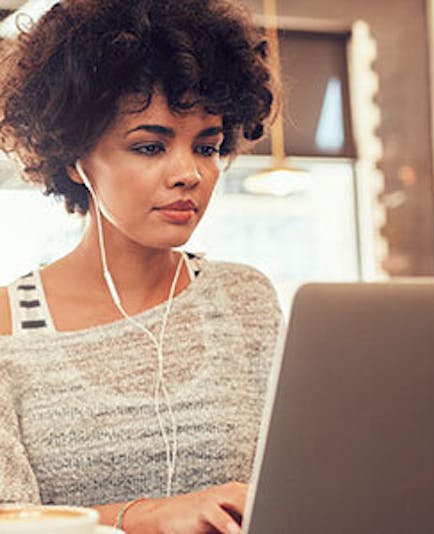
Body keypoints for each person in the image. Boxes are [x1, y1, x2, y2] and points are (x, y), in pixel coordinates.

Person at [0, 1, 282, 532]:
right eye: (150, 146)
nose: (188, 174)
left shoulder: (245, 300)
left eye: (207, 146)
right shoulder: (7, 327)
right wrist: (144, 517)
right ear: (73, 159)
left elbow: (295, 483)